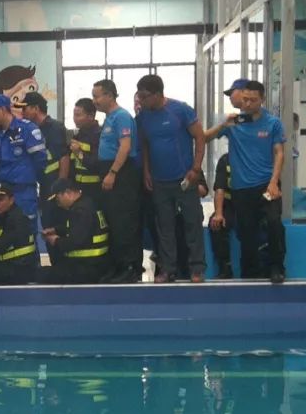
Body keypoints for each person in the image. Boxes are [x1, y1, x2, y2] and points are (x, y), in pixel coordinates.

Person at [205, 80, 286, 283]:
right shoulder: (234, 122)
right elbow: (205, 138)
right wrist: (223, 125)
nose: (248, 104)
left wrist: (274, 181)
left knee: (274, 222)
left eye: (253, 100)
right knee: (247, 233)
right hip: (241, 189)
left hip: (267, 185)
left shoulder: (273, 123)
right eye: (245, 99)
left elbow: (279, 153)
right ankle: (250, 273)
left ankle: (276, 266)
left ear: (262, 99)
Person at [135, 74, 207, 283]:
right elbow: (145, 145)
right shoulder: (143, 117)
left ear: (158, 94)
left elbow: (200, 137)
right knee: (164, 227)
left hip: (185, 178)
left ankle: (196, 269)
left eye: (145, 96)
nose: (141, 100)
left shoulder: (180, 110)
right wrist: (147, 172)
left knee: (192, 223)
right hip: (159, 181)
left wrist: (196, 169)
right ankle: (168, 269)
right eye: (139, 96)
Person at [92, 79, 142, 283]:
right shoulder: (109, 118)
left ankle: (130, 267)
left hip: (122, 173)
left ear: (109, 95)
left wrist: (113, 172)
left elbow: (125, 147)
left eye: (97, 96)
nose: (94, 101)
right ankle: (117, 266)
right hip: (109, 170)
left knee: (123, 222)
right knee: (112, 221)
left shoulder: (121, 116)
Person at [0, 93, 47, 244]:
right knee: (5, 235)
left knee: (27, 234)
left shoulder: (27, 129)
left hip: (24, 191)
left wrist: (28, 178)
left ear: (2, 109)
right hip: (3, 194)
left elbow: (41, 161)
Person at [41, 178, 110, 284]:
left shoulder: (80, 211)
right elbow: (80, 229)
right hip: (96, 264)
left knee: (42, 274)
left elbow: (75, 242)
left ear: (68, 192)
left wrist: (55, 240)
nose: (58, 204)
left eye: (58, 199)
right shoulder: (88, 203)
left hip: (85, 268)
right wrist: (56, 230)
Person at [20, 91, 69, 201]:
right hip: (39, 182)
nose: (22, 113)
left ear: (36, 108)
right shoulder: (30, 130)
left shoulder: (55, 127)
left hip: (53, 183)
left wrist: (61, 185)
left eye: (24, 109)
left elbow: (64, 157)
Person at [70, 98, 103, 205]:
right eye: (74, 115)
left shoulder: (99, 135)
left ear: (91, 116)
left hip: (95, 189)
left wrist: (79, 153)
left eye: (78, 115)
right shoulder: (77, 136)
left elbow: (96, 164)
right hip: (77, 189)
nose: (75, 119)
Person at [209, 153, 235, 279]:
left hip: (249, 204)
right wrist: (218, 213)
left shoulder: (254, 157)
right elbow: (219, 189)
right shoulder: (225, 160)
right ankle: (225, 267)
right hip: (229, 206)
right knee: (216, 223)